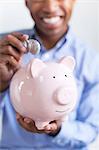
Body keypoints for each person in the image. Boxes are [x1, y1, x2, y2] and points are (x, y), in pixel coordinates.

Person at [0, 0, 99, 149]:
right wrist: (1, 84)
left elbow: (91, 130)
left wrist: (58, 130)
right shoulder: (5, 50)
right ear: (27, 2)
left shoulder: (91, 60)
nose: (50, 7)